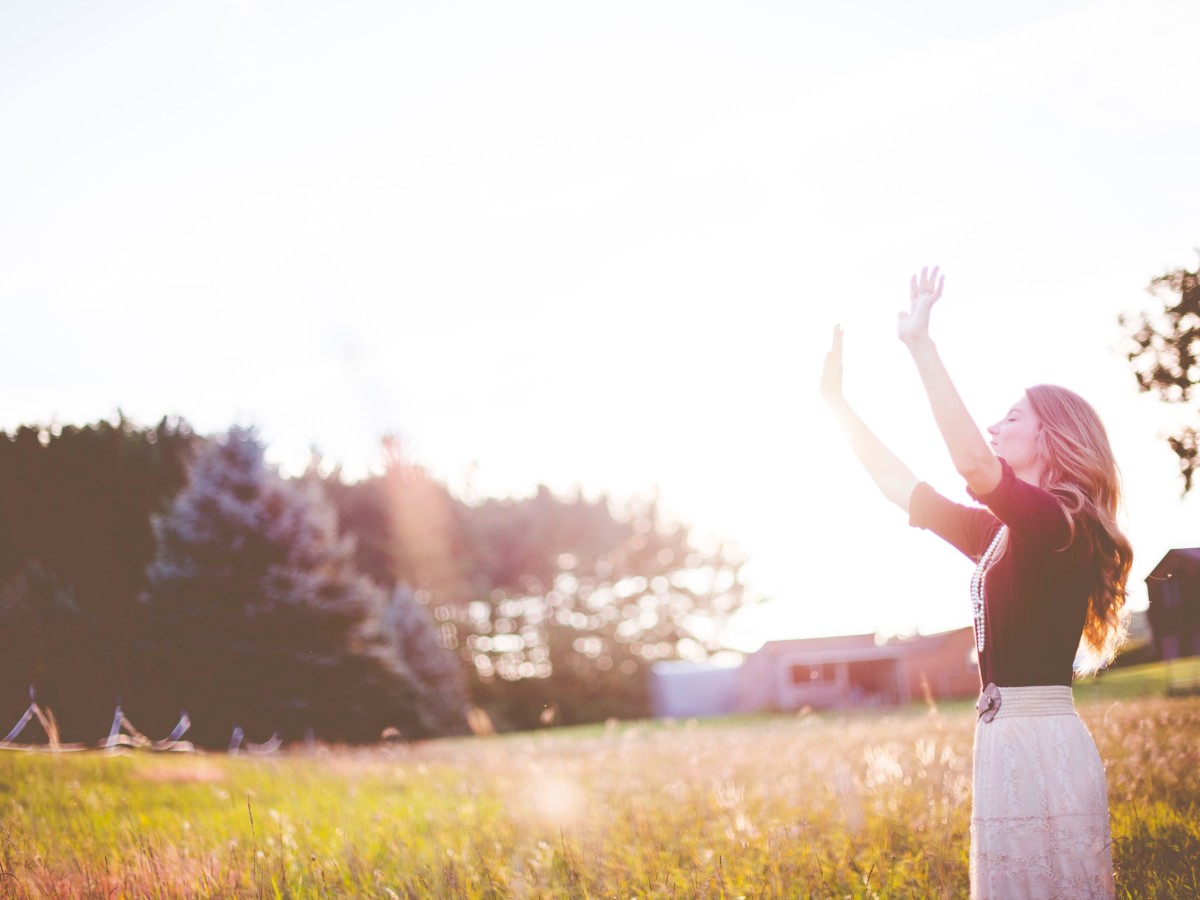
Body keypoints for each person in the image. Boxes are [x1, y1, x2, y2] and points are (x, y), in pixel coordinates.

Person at [820, 266, 1131, 899]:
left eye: (1011, 418)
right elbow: (902, 487)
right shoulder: (1002, 532)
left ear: (1052, 436)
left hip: (1043, 746)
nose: (994, 427)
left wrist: (921, 347)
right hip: (1004, 744)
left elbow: (971, 463)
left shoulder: (1061, 523)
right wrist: (838, 407)